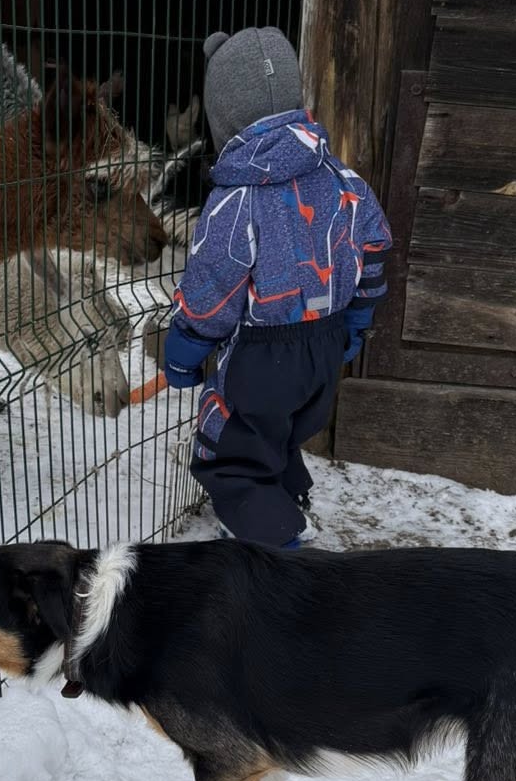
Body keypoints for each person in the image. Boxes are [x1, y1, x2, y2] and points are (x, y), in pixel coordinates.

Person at [160, 28, 391, 548]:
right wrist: (356, 319)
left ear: (223, 117)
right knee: (280, 431)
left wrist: (185, 348)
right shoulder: (344, 181)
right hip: (327, 347)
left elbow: (212, 289)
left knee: (231, 458)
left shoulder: (235, 203)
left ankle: (285, 550)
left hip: (265, 356)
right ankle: (289, 502)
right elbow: (374, 249)